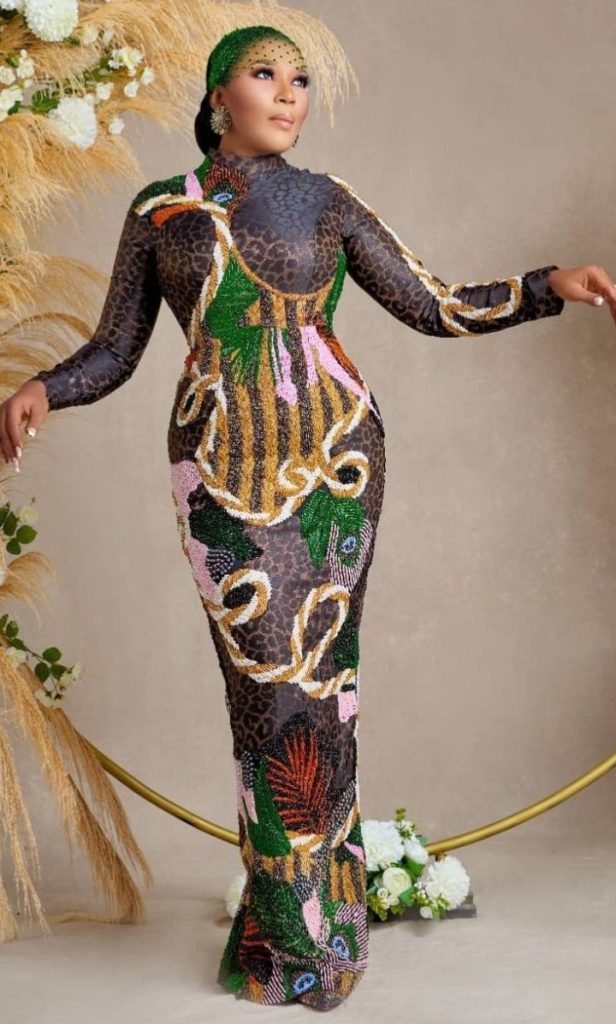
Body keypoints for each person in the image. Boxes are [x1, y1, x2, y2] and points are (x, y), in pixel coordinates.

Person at [2, 21, 615, 1013]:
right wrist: (44, 388)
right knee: (261, 692)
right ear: (218, 96)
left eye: (299, 80)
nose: (290, 94)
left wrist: (548, 287)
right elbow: (116, 349)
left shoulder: (327, 201)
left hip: (334, 462)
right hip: (217, 468)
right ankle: (289, 935)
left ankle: (315, 941)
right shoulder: (160, 211)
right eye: (265, 74)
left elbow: (432, 303)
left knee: (324, 691)